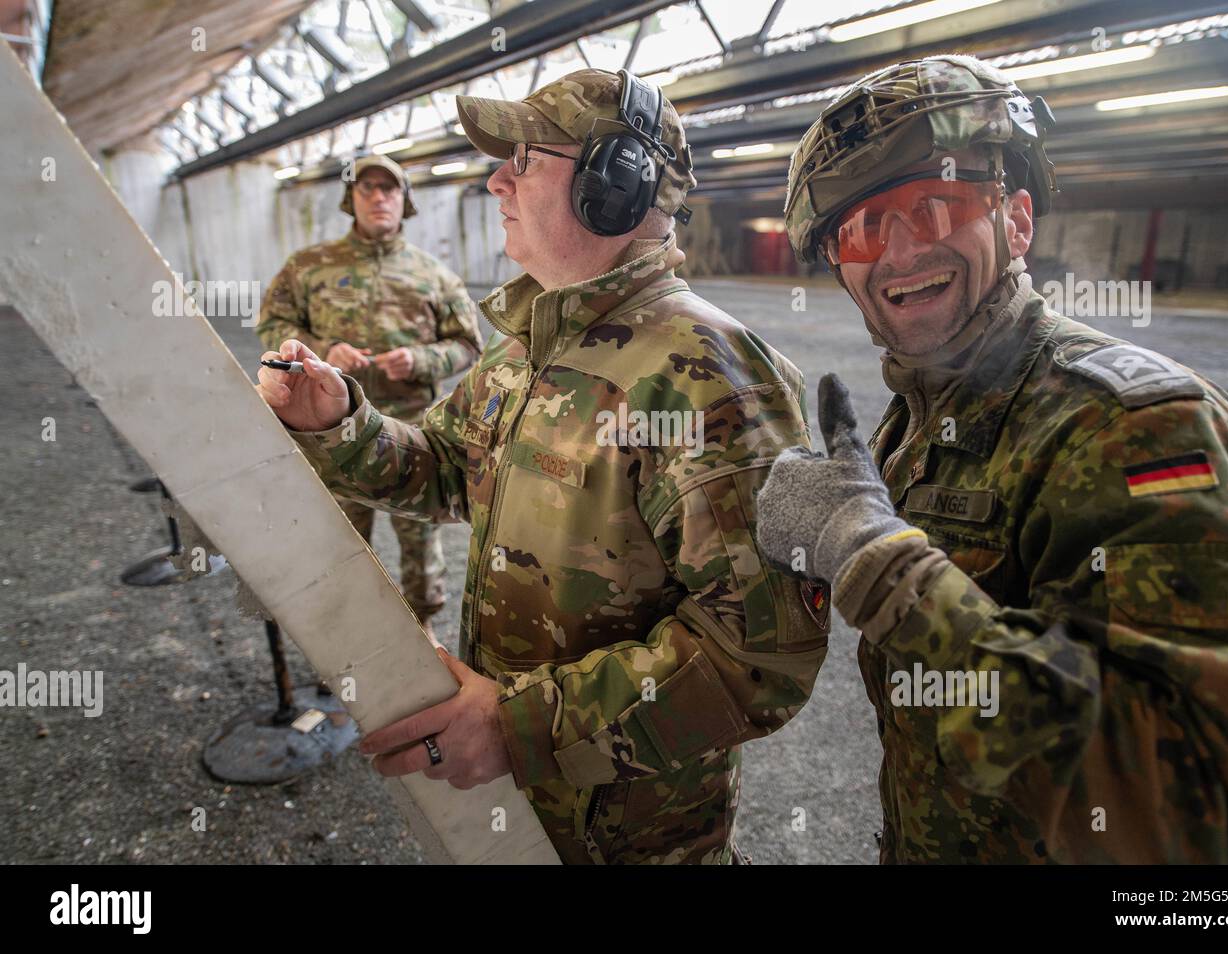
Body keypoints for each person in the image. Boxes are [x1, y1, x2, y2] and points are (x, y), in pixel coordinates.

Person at [256, 69, 829, 863]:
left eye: (524, 157)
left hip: (628, 837)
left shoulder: (708, 376)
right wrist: (342, 420)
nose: (496, 179)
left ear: (614, 188)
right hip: (517, 807)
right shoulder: (529, 345)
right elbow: (449, 468)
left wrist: (517, 725)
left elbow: (761, 657)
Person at [758, 54, 1228, 863]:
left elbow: (1197, 825)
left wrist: (878, 565)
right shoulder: (923, 417)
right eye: (863, 228)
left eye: (935, 206)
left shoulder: (1137, 430)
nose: (899, 251)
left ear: (1015, 221)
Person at [256, 155, 482, 629]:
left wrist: (420, 360)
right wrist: (321, 353)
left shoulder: (434, 275)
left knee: (420, 539)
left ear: (405, 201)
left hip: (413, 436)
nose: (379, 197)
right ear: (350, 199)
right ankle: (351, 639)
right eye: (367, 188)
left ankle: (423, 632)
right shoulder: (308, 267)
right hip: (332, 434)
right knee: (339, 541)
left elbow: (467, 344)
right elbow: (272, 323)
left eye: (390, 189)